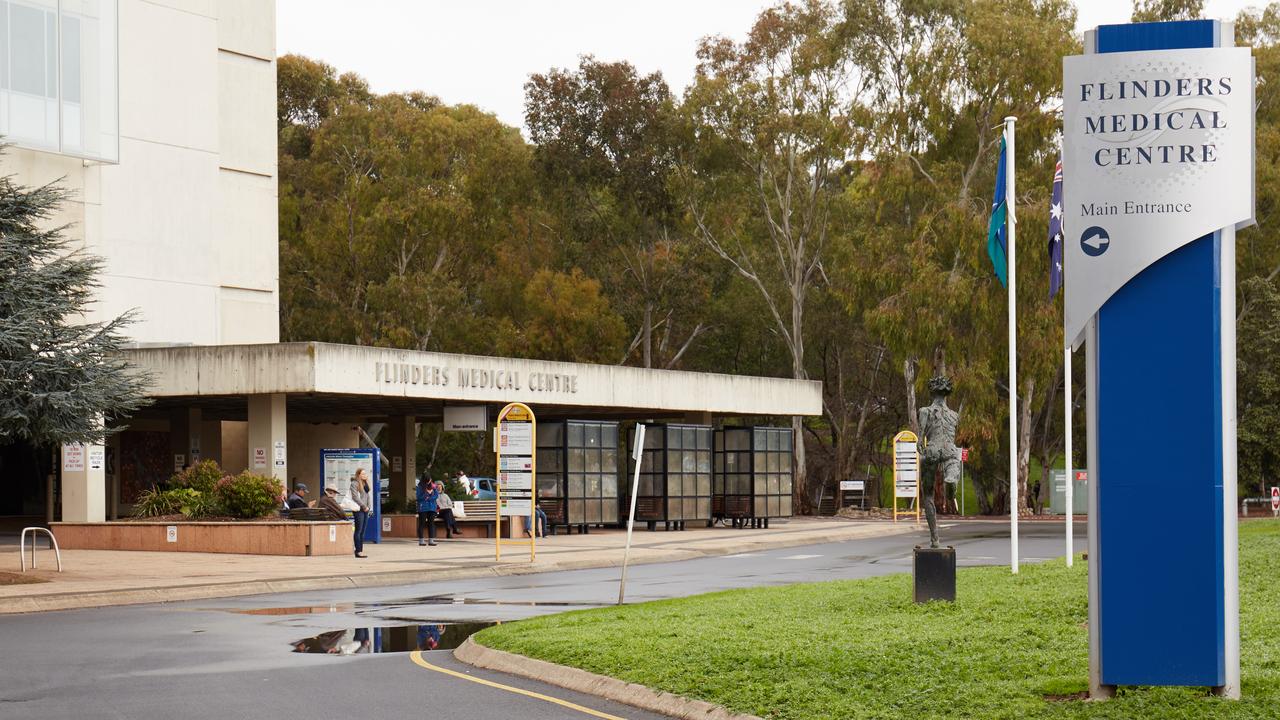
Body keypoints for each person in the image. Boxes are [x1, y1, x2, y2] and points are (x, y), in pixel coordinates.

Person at [350, 468, 372, 558]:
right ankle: (358, 551)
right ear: (358, 474)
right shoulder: (354, 483)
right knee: (358, 530)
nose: (364, 475)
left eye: (365, 473)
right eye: (362, 474)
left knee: (362, 531)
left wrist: (368, 507)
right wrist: (364, 506)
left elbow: (367, 496)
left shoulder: (365, 483)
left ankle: (360, 550)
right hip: (359, 509)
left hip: (366, 509)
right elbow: (355, 497)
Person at [415, 475, 440, 546]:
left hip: (432, 508)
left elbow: (436, 495)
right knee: (422, 524)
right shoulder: (419, 487)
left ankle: (431, 540)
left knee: (431, 524)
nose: (429, 481)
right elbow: (419, 497)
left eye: (430, 480)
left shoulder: (433, 486)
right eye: (428, 480)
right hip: (423, 508)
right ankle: (421, 540)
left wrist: (428, 497)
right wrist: (426, 493)